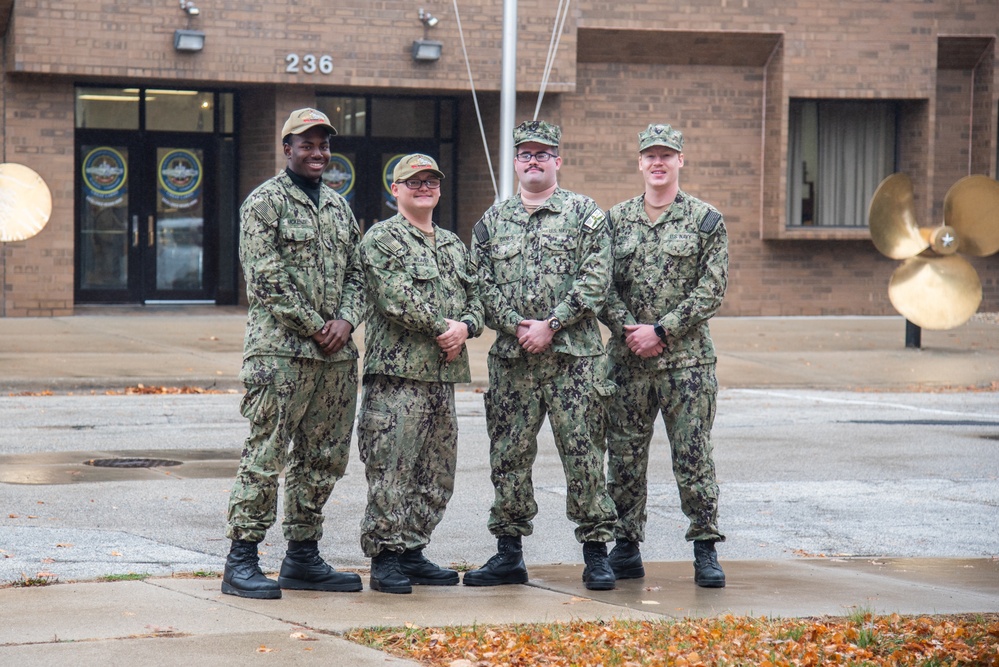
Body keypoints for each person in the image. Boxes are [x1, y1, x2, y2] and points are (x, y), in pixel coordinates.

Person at [466, 120, 618, 591]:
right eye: (525, 154)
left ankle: (596, 553)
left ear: (558, 161)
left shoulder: (585, 213)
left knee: (585, 455)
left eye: (543, 154)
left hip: (573, 360)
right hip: (514, 363)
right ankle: (508, 553)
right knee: (508, 456)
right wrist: (516, 326)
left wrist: (551, 325)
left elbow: (596, 279)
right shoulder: (492, 223)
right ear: (515, 163)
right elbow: (480, 285)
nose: (533, 161)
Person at [222, 108, 366, 599]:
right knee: (266, 456)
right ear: (288, 148)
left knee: (322, 459)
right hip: (280, 355)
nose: (318, 153)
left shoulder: (340, 207)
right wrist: (317, 326)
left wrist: (346, 321)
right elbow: (265, 276)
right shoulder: (264, 203)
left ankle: (302, 556)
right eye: (307, 144)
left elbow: (357, 273)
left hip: (335, 359)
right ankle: (241, 560)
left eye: (324, 144)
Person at [600, 123, 728, 588]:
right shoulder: (614, 221)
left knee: (693, 456)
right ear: (639, 163)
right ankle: (626, 546)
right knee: (624, 457)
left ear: (680, 161)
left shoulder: (706, 220)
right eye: (650, 156)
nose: (658, 163)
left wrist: (662, 331)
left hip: (687, 364)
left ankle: (705, 548)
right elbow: (601, 285)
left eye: (666, 155)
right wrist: (631, 330)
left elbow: (712, 290)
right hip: (627, 362)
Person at [356, 153, 483, 594]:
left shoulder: (451, 244)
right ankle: (385, 557)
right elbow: (396, 298)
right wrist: (444, 328)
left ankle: (412, 549)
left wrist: (467, 325)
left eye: (431, 181)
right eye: (414, 182)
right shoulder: (382, 239)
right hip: (397, 379)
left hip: (440, 380)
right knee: (391, 471)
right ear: (396, 190)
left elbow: (477, 296)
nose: (423, 187)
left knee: (437, 473)